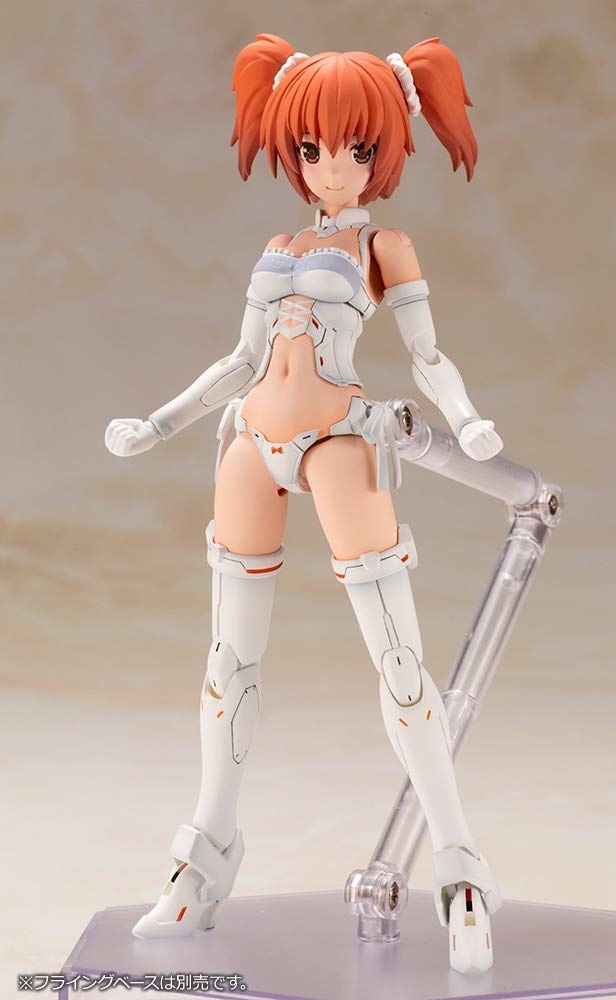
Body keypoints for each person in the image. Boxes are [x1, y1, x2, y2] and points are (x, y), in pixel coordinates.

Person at [105, 34, 503, 973]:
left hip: (339, 439)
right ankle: (208, 854)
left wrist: (468, 420)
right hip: (251, 440)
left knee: (398, 664)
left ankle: (459, 869)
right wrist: (158, 424)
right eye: (312, 147)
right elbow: (240, 360)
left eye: (355, 148)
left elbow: (427, 354)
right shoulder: (279, 247)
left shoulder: (381, 244)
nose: (332, 166)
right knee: (227, 662)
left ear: (384, 151)